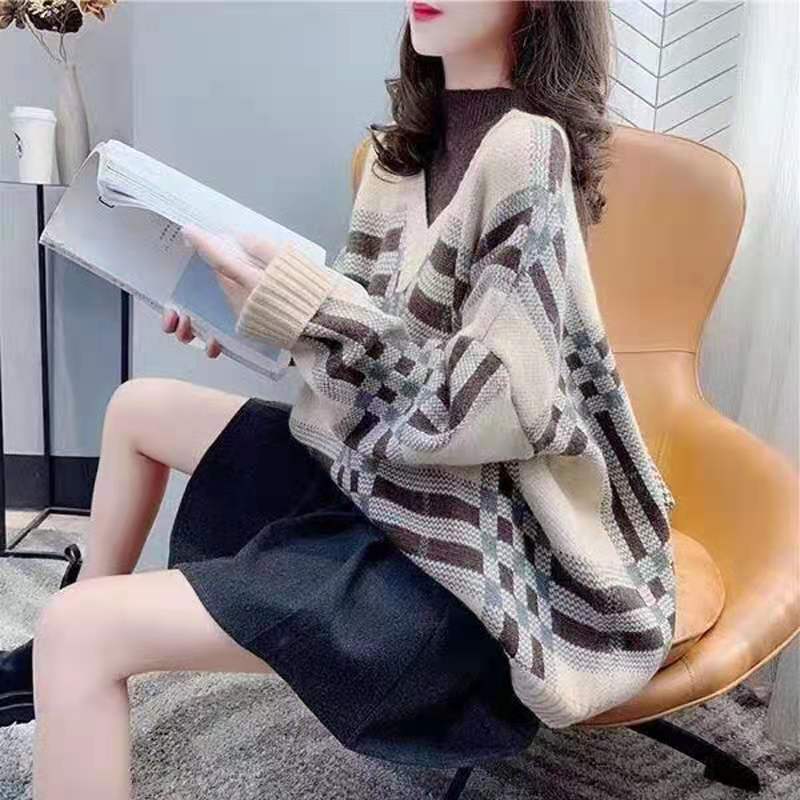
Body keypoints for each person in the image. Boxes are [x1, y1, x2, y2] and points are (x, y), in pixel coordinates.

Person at [0, 2, 678, 798]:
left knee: (79, 630)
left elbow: (487, 407)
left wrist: (304, 312)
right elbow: (359, 372)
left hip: (470, 560)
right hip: (382, 486)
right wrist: (248, 321)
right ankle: (54, 677)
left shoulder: (529, 151)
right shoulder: (398, 161)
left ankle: (70, 654)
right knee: (137, 408)